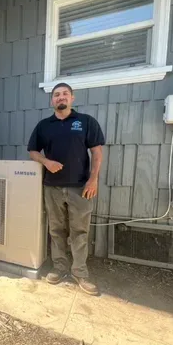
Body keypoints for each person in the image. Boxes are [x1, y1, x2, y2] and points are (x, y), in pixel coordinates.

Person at [27, 83, 105, 295]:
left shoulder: (85, 122)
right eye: (56, 95)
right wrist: (46, 162)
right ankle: (59, 267)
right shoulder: (44, 125)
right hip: (52, 187)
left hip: (81, 188)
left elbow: (97, 153)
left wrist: (93, 180)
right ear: (52, 100)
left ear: (72, 98)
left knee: (80, 231)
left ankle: (80, 272)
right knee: (56, 230)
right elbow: (33, 151)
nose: (61, 98)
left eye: (64, 94)